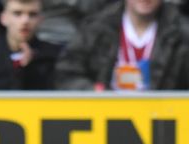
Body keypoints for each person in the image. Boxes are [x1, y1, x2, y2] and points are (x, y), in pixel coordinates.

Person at [55, 0, 189, 90]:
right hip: (105, 117)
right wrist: (91, 91)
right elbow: (66, 73)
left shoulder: (182, 33)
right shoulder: (96, 28)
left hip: (162, 121)